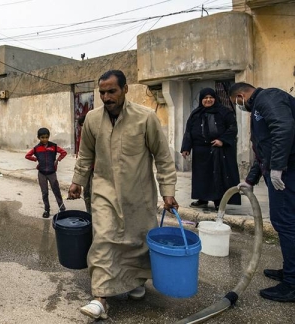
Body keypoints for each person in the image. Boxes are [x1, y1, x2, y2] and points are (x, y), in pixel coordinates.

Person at [68, 70, 178, 320]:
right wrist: (77, 181)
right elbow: (85, 155)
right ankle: (100, 298)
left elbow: (162, 157)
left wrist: (168, 192)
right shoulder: (93, 120)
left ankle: (135, 281)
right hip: (104, 191)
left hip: (139, 194)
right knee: (104, 239)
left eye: (111, 91)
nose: (106, 97)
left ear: (125, 90)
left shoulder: (146, 118)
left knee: (137, 240)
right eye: (102, 92)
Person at [229, 82, 295, 302]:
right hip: (282, 171)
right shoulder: (259, 106)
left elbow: (284, 127)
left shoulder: (267, 98)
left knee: (286, 223)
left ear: (240, 96)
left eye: (236, 102)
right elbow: (263, 147)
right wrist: (250, 180)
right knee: (285, 222)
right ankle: (289, 271)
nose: (239, 106)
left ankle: (292, 284)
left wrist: (278, 167)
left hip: (288, 172)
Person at [180, 88, 241, 210]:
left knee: (218, 176)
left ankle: (219, 201)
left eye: (211, 97)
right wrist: (186, 147)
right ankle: (202, 199)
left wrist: (222, 140)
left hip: (218, 150)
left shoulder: (225, 112)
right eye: (205, 98)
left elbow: (232, 128)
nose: (208, 100)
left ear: (215, 98)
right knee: (201, 177)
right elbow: (189, 132)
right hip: (200, 152)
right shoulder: (195, 114)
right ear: (201, 100)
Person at [25, 128, 68, 218]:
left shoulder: (54, 146)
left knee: (56, 191)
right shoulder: (36, 148)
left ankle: (62, 208)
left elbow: (64, 152)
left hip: (52, 173)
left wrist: (58, 160)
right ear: (38, 138)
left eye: (46, 137)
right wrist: (35, 159)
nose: (44, 139)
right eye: (42, 137)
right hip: (42, 173)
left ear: (49, 137)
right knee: (44, 192)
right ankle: (46, 210)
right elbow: (27, 156)